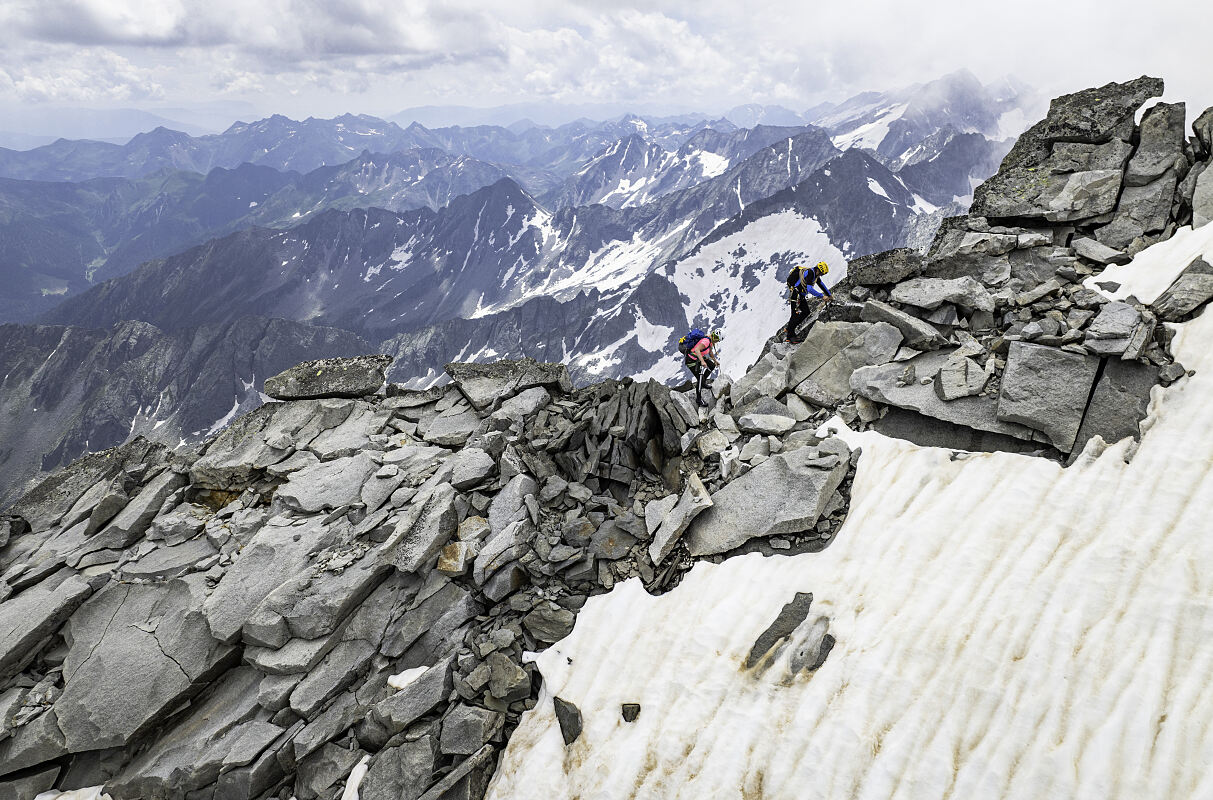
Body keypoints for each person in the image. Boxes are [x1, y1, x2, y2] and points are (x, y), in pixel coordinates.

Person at [783, 261, 833, 344]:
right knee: (795, 315)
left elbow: (821, 284)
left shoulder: (815, 275)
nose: (821, 275)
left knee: (806, 312)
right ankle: (790, 337)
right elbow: (809, 289)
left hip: (800, 296)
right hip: (796, 295)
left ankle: (790, 328)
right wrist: (822, 296)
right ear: (818, 270)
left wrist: (829, 294)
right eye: (821, 273)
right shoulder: (810, 273)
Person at [685, 330, 722, 406]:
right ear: (716, 338)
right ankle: (698, 399)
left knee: (712, 365)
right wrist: (702, 361)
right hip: (691, 360)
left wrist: (715, 361)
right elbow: (697, 350)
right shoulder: (706, 341)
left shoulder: (710, 341)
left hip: (698, 358)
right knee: (700, 378)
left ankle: (703, 382)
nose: (717, 341)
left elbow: (710, 352)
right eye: (718, 340)